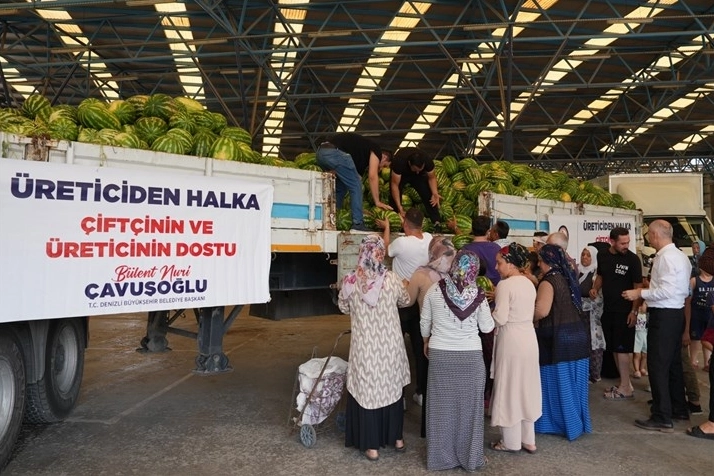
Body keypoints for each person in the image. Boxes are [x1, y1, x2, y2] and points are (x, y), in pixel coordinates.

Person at [420, 250, 494, 472]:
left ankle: (440, 459)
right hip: (470, 357)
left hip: (440, 355)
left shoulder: (434, 290)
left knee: (441, 409)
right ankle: (470, 457)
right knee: (469, 410)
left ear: (454, 266)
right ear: (474, 270)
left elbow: (425, 322)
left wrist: (426, 341)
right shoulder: (479, 294)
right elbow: (487, 328)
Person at [338, 235, 409, 461]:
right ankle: (397, 439)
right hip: (390, 348)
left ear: (362, 252)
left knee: (367, 393)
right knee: (392, 389)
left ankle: (372, 447)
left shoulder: (351, 281)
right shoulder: (392, 279)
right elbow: (405, 300)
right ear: (380, 253)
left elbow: (343, 307)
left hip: (366, 349)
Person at [622, 220, 691, 432]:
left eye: (649, 235)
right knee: (673, 364)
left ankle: (662, 416)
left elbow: (666, 291)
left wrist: (639, 293)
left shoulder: (667, 258)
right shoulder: (680, 256)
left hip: (665, 314)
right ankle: (677, 407)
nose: (648, 239)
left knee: (658, 365)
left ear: (655, 235)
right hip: (676, 314)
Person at [534, 244, 592, 441]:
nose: (538, 264)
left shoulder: (549, 281)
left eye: (540, 260)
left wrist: (522, 316)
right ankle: (577, 423)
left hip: (558, 339)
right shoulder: (568, 277)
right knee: (574, 386)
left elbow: (542, 310)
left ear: (547, 261)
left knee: (558, 384)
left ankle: (559, 423)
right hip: (578, 336)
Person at [376, 208, 432, 409]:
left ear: (405, 224)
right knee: (420, 350)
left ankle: (399, 397)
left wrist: (387, 227)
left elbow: (384, 251)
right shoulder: (429, 238)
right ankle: (422, 393)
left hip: (401, 302)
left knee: (396, 351)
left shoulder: (401, 243)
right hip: (421, 303)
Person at [490, 243, 541, 454]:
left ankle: (510, 441)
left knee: (509, 386)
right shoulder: (529, 283)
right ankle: (529, 439)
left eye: (499, 263)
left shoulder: (505, 285)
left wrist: (485, 315)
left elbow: (500, 317)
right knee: (526, 387)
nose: (496, 267)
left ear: (511, 264)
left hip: (511, 339)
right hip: (529, 337)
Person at [406, 236, 457, 438]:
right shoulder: (457, 274)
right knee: (448, 383)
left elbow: (407, 301)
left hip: (428, 334)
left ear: (432, 252)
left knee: (429, 381)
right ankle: (449, 427)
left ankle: (429, 428)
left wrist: (404, 286)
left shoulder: (421, 274)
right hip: (451, 334)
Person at [590, 227, 643, 400]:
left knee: (622, 349)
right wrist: (595, 288)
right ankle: (624, 384)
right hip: (609, 309)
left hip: (624, 311)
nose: (626, 246)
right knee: (613, 347)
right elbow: (600, 275)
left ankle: (626, 387)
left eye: (628, 242)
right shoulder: (603, 255)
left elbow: (638, 287)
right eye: (622, 243)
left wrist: (634, 311)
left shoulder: (633, 260)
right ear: (612, 242)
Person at [316, 132, 392, 231]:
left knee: (341, 188)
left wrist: (362, 210)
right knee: (356, 186)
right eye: (384, 165)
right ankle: (358, 223)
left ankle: (332, 218)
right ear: (384, 157)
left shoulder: (360, 156)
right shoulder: (376, 150)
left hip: (321, 153)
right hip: (334, 153)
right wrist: (377, 201)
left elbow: (357, 176)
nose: (381, 168)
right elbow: (372, 176)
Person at [389, 147, 441, 228]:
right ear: (410, 163)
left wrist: (435, 193)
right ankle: (395, 222)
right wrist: (399, 206)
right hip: (402, 174)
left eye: (420, 169)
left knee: (428, 194)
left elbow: (432, 178)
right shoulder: (399, 162)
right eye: (415, 169)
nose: (417, 172)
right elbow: (394, 185)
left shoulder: (427, 160)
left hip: (419, 177)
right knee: (394, 198)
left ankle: (436, 222)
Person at [579, 245, 606, 383]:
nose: (584, 257)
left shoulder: (596, 275)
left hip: (592, 317)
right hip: (579, 316)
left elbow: (598, 297)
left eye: (588, 255)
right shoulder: (578, 272)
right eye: (583, 254)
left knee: (593, 345)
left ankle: (594, 374)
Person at [688, 244, 714, 372]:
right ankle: (693, 360)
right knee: (695, 339)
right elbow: (688, 299)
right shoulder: (694, 280)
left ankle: (707, 361)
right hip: (697, 314)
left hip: (709, 315)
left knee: (707, 338)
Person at [633, 302, 649, 379]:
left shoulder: (647, 315)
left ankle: (642, 368)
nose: (640, 307)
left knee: (645, 354)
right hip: (637, 335)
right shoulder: (635, 314)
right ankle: (637, 370)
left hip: (645, 335)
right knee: (637, 354)